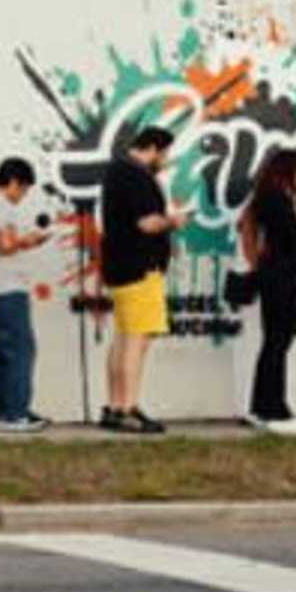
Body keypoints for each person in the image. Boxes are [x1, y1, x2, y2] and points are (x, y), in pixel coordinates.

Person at [96, 109, 175, 426]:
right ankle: (128, 408)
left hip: (120, 266)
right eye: (165, 154)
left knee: (124, 336)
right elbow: (146, 223)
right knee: (137, 339)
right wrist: (173, 220)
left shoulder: (117, 170)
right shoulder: (137, 175)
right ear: (153, 148)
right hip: (140, 268)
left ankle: (116, 406)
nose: (165, 161)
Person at [239, 145, 296, 426]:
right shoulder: (277, 200)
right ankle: (274, 409)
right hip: (281, 279)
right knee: (277, 344)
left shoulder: (266, 198)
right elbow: (293, 242)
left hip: (273, 277)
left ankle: (262, 406)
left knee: (273, 344)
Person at [0, 157, 50, 428]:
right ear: (14, 182)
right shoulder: (1, 206)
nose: (23, 197)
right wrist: (29, 240)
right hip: (7, 288)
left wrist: (22, 241)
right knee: (21, 349)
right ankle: (16, 413)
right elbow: (4, 246)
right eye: (24, 189)